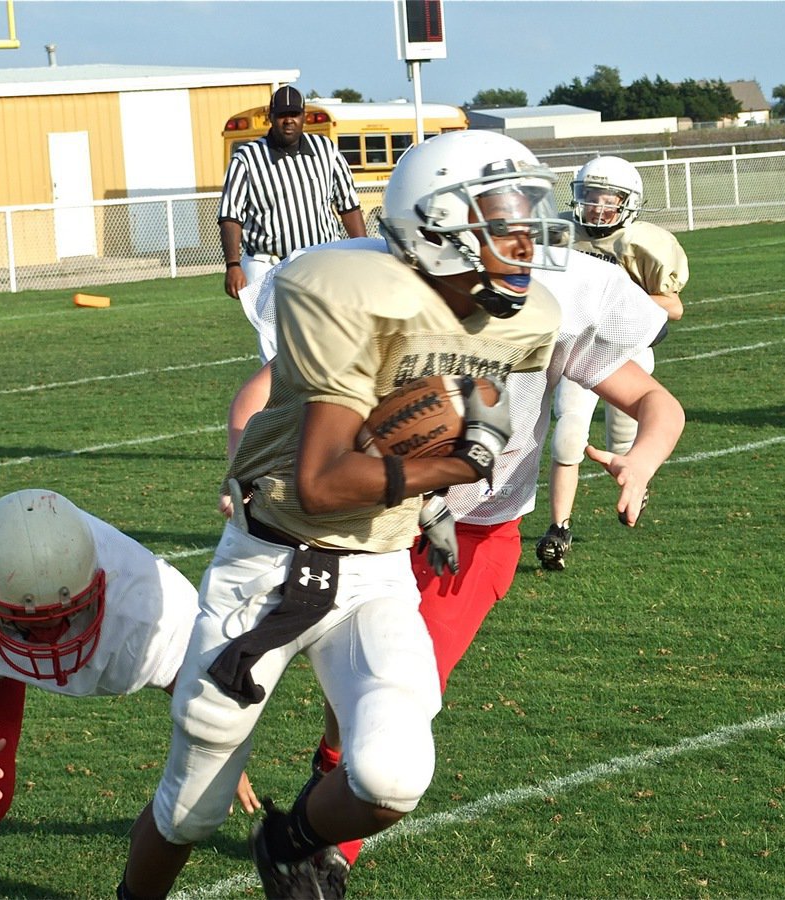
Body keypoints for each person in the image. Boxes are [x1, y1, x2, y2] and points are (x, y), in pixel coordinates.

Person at [117, 130, 569, 900]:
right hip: (268, 563)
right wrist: (456, 466)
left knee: (394, 775)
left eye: (527, 216)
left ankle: (290, 845)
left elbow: (455, 394)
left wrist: (437, 478)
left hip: (378, 570)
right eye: (504, 220)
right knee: (193, 806)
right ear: (438, 226)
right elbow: (324, 483)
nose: (525, 238)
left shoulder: (520, 318)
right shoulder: (342, 289)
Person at [228, 239, 686, 886]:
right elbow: (257, 397)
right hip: (375, 519)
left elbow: (657, 403)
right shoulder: (393, 305)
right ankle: (322, 798)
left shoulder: (548, 309)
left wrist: (643, 459)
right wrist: (241, 470)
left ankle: (314, 846)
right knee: (344, 695)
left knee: (401, 705)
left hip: (477, 534)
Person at [0, 489, 256, 900]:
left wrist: (214, 747)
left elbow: (186, 669)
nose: (51, 640)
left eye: (66, 617)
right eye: (33, 626)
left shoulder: (140, 590)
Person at [535, 155, 688, 570]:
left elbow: (673, 307)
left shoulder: (641, 243)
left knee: (624, 443)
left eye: (608, 199)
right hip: (577, 345)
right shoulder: (560, 234)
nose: (598, 207)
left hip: (628, 350)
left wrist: (617, 302)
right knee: (568, 433)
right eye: (589, 197)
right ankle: (558, 529)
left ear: (628, 202)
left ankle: (633, 483)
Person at [218, 85, 368, 362]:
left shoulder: (326, 151)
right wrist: (233, 264)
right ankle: (280, 401)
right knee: (274, 341)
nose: (288, 120)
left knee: (329, 332)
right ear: (270, 117)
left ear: (304, 117)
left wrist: (363, 251)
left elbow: (348, 205)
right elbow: (230, 215)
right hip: (268, 262)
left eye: (294, 114)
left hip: (320, 259)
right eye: (281, 114)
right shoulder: (247, 158)